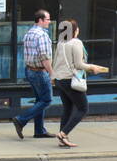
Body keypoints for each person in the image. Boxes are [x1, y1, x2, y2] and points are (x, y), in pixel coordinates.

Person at [53, 20, 110, 148]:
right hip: (70, 80)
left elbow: (55, 62)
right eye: (77, 28)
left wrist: (53, 77)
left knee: (67, 108)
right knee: (83, 108)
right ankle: (63, 133)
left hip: (60, 80)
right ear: (75, 30)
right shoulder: (76, 42)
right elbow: (79, 65)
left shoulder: (61, 43)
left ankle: (63, 138)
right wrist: (92, 67)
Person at [12, 9, 55, 139]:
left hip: (29, 70)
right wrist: (52, 73)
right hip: (39, 72)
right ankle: (21, 120)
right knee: (47, 100)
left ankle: (39, 131)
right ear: (41, 20)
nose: (49, 21)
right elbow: (45, 57)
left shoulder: (29, 33)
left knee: (39, 100)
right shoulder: (41, 35)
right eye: (47, 19)